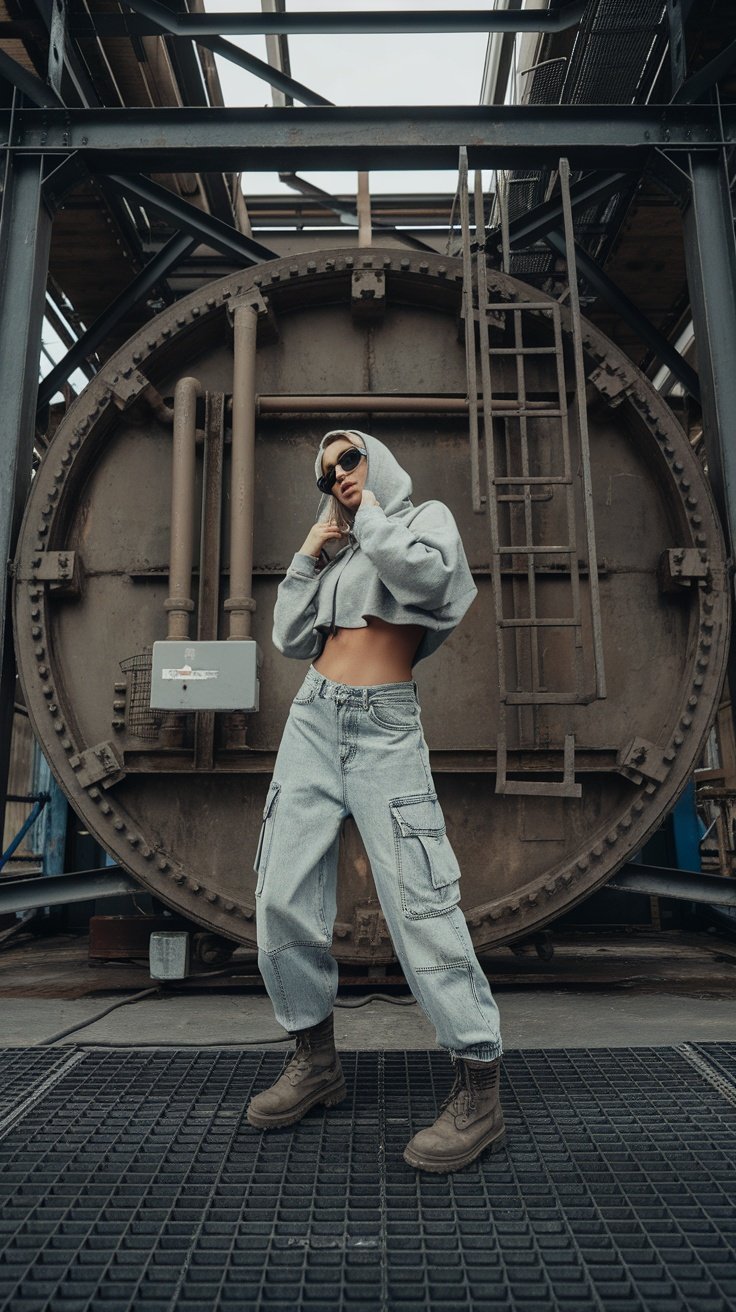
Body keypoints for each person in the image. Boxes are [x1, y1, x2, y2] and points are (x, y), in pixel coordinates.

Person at [246, 428, 506, 1173]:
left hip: (384, 725)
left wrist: (367, 521)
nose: (337, 473)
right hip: (314, 715)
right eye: (327, 469)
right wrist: (308, 555)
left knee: (421, 901)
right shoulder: (341, 549)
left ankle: (480, 1088)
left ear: (379, 460)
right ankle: (315, 1061)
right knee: (281, 893)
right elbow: (291, 638)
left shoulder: (424, 522)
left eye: (348, 457)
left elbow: (429, 585)